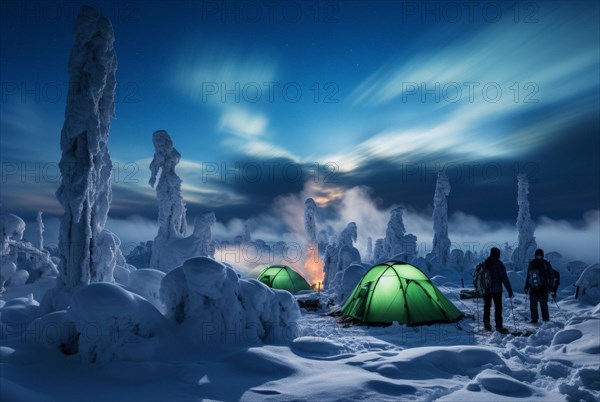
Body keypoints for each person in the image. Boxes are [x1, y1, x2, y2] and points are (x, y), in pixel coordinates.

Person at [483, 247, 513, 332]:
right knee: (498, 307)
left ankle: (486, 324)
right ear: (497, 254)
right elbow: (504, 278)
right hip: (496, 289)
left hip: (487, 289)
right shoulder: (499, 264)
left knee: (487, 306)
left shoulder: (486, 262)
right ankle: (499, 326)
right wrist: (509, 290)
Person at [524, 248, 553, 323]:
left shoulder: (535, 263)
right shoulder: (544, 264)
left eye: (539, 256)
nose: (538, 257)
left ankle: (540, 320)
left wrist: (527, 286)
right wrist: (526, 286)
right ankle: (540, 320)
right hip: (539, 288)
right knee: (538, 305)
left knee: (538, 305)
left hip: (539, 288)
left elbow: (551, 276)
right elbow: (528, 276)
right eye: (537, 256)